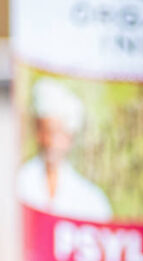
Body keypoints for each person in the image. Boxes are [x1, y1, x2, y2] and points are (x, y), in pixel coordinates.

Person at [16, 78, 112, 221]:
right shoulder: (24, 178)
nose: (50, 142)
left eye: (57, 133)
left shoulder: (92, 199)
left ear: (70, 139)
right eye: (45, 131)